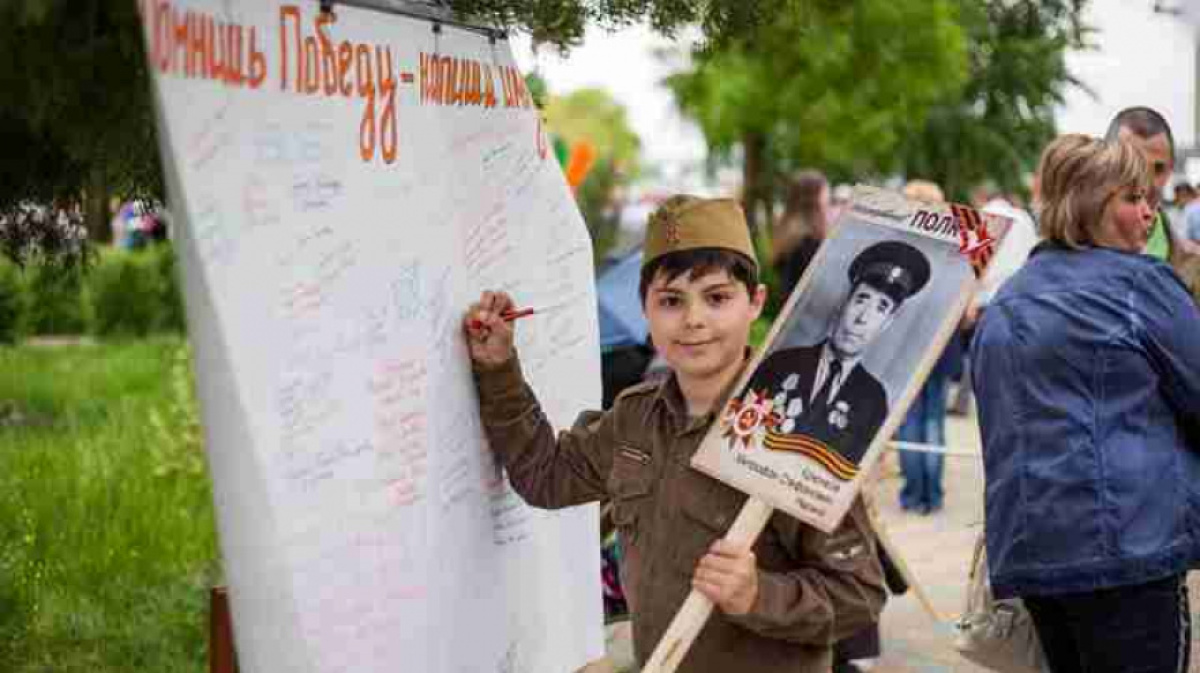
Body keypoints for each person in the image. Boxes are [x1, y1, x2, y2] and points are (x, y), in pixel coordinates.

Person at [464, 195, 886, 673]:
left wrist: (759, 595)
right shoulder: (635, 418)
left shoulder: (798, 434)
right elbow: (545, 476)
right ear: (644, 308)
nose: (693, 320)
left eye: (717, 297)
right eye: (670, 301)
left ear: (756, 303)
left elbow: (859, 593)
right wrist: (498, 369)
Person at [971, 134, 1200, 673]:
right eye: (1131, 198)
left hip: (1033, 557)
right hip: (1128, 554)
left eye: (1149, 198)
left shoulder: (1007, 299)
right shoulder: (1140, 284)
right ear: (1087, 204)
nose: (1149, 214)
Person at [746, 240, 932, 474]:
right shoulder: (779, 364)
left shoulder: (874, 400)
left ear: (886, 324)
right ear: (844, 303)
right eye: (861, 299)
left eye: (881, 308)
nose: (862, 318)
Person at [893, 180, 953, 515]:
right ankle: (934, 494)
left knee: (911, 422)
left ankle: (913, 494)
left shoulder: (900, 253)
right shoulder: (952, 254)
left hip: (908, 346)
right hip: (942, 346)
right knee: (934, 423)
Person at [1104, 106, 1192, 261]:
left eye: (1158, 169)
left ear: (1171, 169)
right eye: (1134, 166)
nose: (1147, 182)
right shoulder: (1067, 255)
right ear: (1105, 165)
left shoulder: (1191, 265)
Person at [771, 170, 831, 294]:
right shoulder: (809, 242)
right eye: (825, 196)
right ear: (815, 200)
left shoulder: (788, 237)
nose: (828, 202)